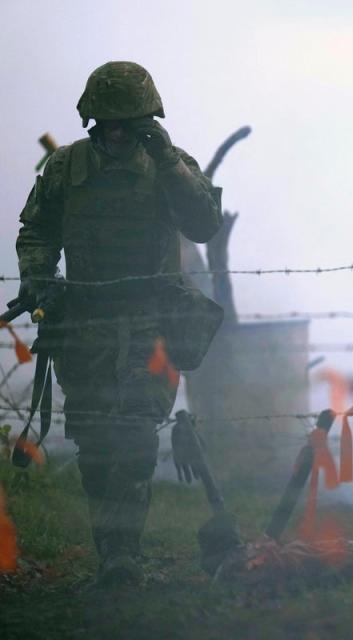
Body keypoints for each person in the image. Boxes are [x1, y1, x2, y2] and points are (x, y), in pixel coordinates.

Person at [15, 61, 222, 585]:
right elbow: (36, 229)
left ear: (146, 120)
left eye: (127, 121)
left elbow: (202, 225)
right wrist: (41, 279)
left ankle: (123, 555)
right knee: (94, 442)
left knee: (133, 437)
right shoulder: (66, 167)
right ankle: (110, 547)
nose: (115, 131)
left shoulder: (168, 165)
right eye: (106, 121)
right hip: (84, 323)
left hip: (150, 322)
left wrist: (170, 161)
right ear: (90, 119)